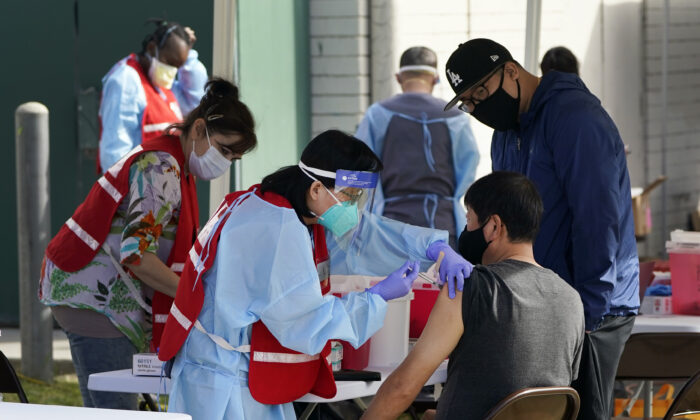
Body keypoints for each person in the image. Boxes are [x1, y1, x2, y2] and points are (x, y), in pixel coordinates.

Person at [156, 130, 474, 420]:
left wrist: (433, 247)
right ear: (317, 187)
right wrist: (374, 299)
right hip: (223, 383)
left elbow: (366, 234)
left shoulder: (291, 206)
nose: (354, 207)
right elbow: (306, 321)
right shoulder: (277, 228)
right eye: (350, 196)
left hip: (233, 370)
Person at [442, 38, 639, 420]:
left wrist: (588, 314)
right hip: (543, 304)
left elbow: (598, 220)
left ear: (512, 71)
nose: (478, 107)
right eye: (469, 102)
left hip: (594, 307)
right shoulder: (505, 132)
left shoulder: (575, 118)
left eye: (481, 91)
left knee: (580, 413)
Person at [39, 78, 256, 410]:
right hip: (93, 298)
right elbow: (138, 256)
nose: (226, 161)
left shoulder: (173, 163)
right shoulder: (161, 167)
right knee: (115, 412)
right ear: (198, 129)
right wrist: (198, 295)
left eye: (234, 156)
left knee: (124, 408)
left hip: (103, 294)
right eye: (224, 149)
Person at [361, 171, 585, 420]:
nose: (465, 230)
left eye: (469, 220)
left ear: (493, 227)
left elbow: (402, 388)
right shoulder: (572, 299)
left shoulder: (470, 287)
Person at [355, 46, 479, 247]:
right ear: (436, 79)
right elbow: (468, 165)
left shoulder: (378, 114)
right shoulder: (456, 118)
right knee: (443, 277)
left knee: (398, 278)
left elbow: (361, 169)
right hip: (443, 225)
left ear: (398, 78)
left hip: (390, 227)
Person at [97, 19, 208, 172]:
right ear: (151, 48)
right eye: (169, 62)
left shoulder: (160, 84)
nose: (171, 72)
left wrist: (189, 56)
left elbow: (194, 104)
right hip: (140, 189)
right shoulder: (125, 80)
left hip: (165, 186)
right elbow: (115, 147)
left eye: (177, 66)